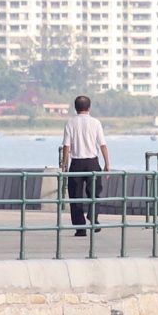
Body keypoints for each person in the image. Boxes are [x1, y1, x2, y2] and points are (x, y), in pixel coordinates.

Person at [59, 94, 110, 238]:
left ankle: (80, 228)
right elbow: (102, 145)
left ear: (75, 108)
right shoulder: (95, 122)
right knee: (94, 194)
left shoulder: (70, 123)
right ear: (89, 107)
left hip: (76, 163)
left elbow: (66, 146)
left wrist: (64, 164)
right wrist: (107, 164)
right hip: (93, 162)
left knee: (75, 197)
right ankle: (93, 217)